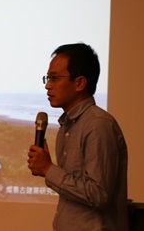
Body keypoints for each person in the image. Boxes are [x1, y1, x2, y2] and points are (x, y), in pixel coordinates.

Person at [27, 43, 129, 231]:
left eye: (55, 78)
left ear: (80, 83)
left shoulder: (98, 125)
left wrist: (49, 169)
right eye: (47, 78)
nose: (48, 85)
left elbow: (99, 194)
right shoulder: (67, 126)